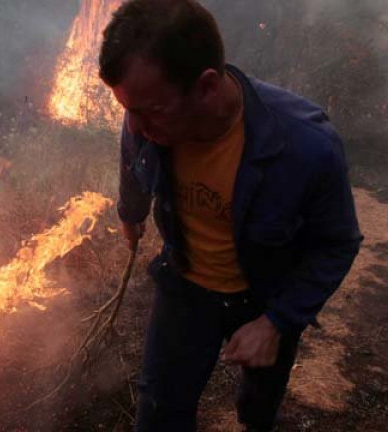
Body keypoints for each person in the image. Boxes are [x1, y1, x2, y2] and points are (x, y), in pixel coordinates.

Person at [98, 1, 363, 430]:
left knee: (259, 407)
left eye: (150, 111)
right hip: (185, 286)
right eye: (128, 109)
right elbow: (133, 155)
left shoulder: (306, 146)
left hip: (266, 292)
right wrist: (131, 211)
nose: (135, 125)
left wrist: (278, 323)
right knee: (159, 410)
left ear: (205, 87)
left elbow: (338, 243)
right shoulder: (148, 120)